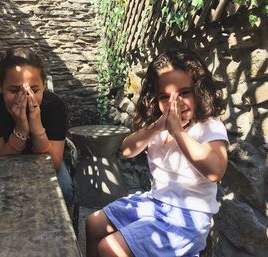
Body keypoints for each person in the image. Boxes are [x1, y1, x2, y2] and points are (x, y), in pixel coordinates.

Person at [86, 48, 228, 257]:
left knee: (110, 248)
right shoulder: (159, 128)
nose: (175, 103)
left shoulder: (208, 127)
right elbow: (126, 150)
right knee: (94, 223)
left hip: (188, 218)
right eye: (165, 97)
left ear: (200, 90)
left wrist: (178, 132)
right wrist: (158, 126)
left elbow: (215, 171)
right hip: (155, 203)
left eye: (185, 92)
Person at [0, 48, 74, 213]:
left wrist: (36, 128)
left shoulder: (55, 106)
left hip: (46, 158)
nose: (25, 98)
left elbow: (54, 165)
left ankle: (65, 235)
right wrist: (21, 129)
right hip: (3, 159)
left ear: (44, 85)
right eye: (14, 91)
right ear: (0, 86)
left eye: (34, 90)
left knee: (64, 190)